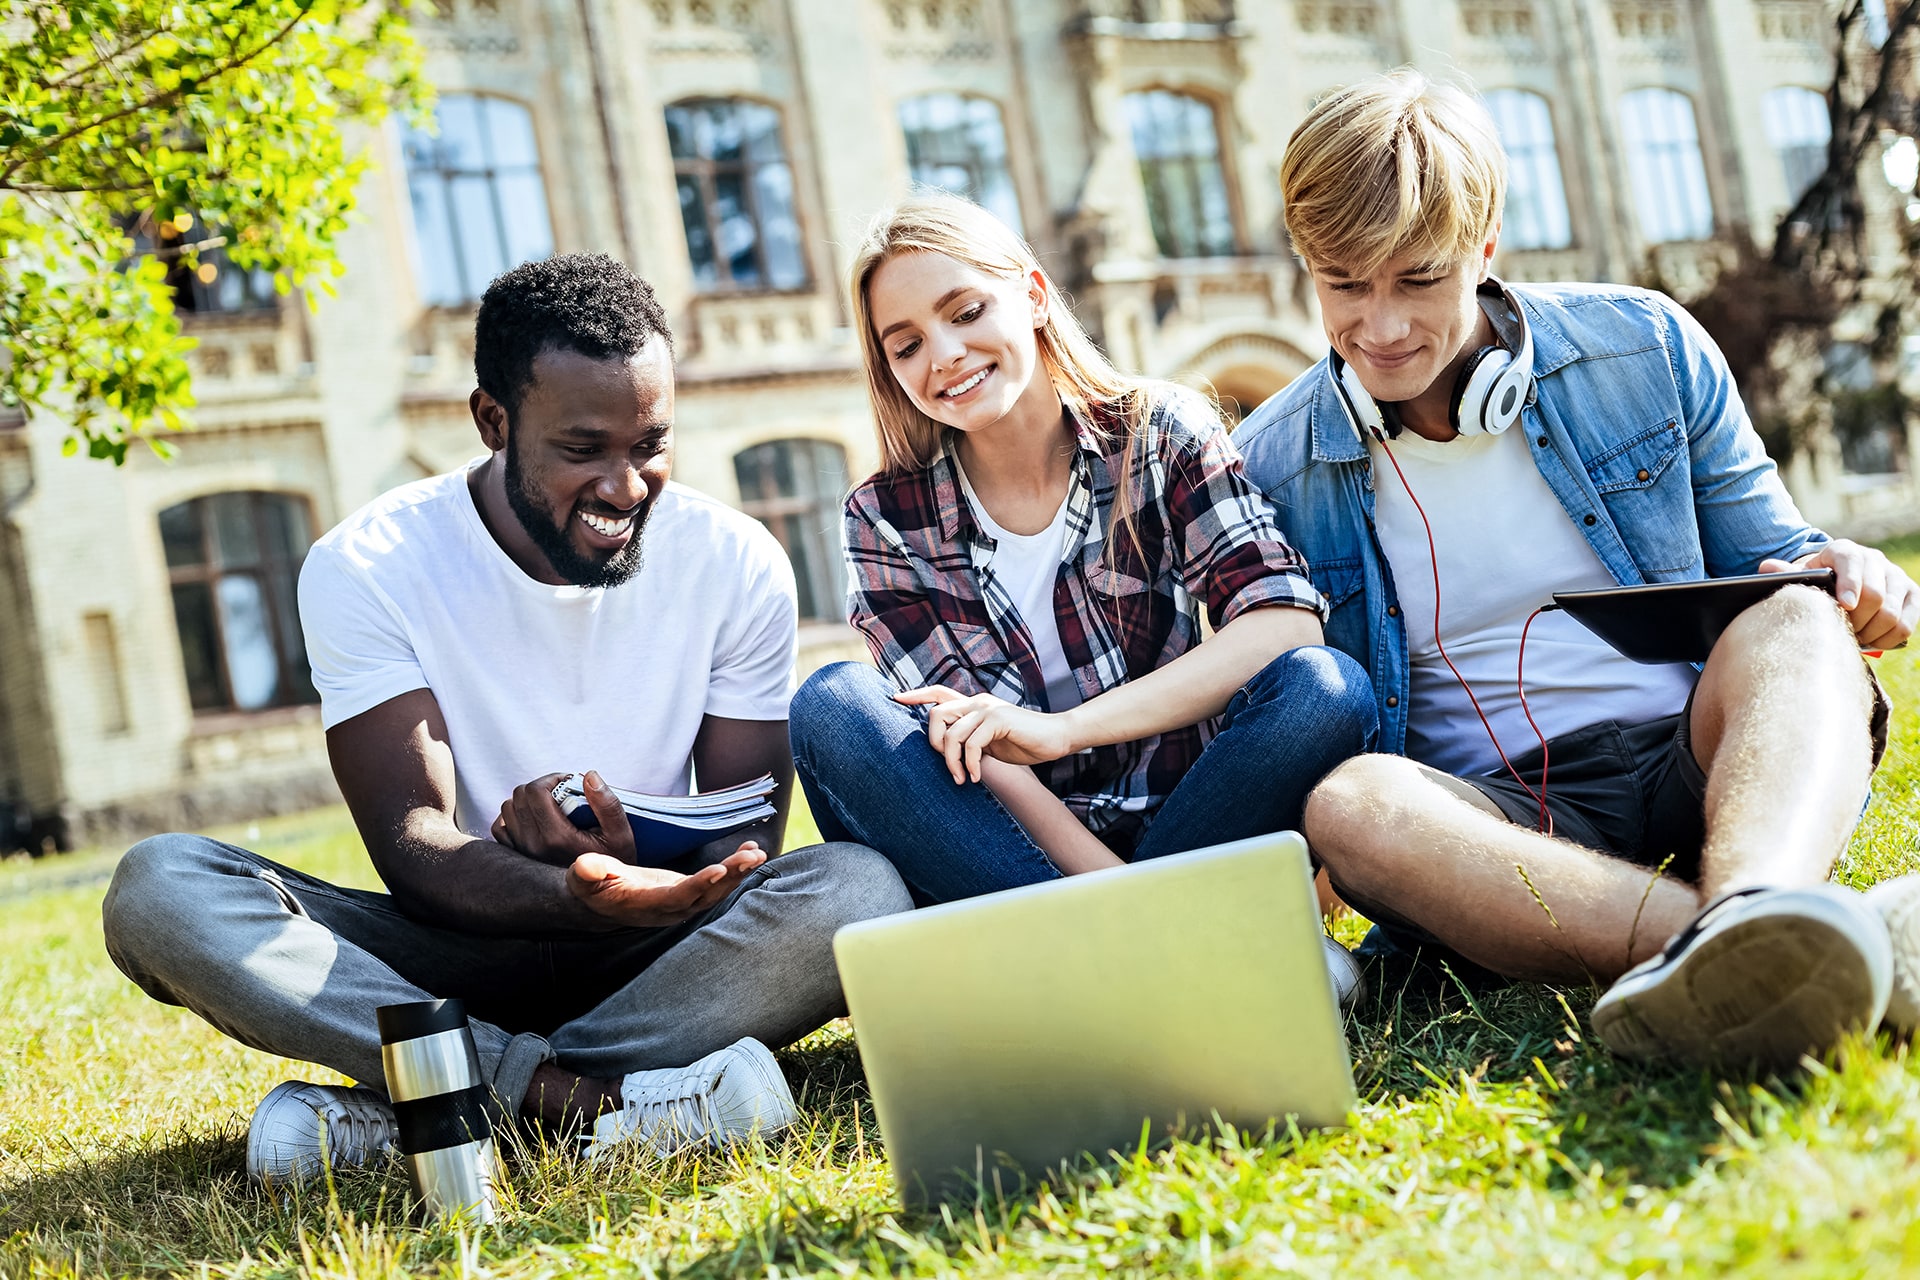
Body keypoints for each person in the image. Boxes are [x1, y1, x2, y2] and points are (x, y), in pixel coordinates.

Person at [101, 253, 913, 1181]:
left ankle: (427, 1099)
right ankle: (581, 1107)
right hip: (451, 953)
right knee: (160, 888)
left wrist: (625, 880)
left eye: (651, 442)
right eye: (583, 450)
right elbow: (414, 848)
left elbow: (740, 841)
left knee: (860, 891)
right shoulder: (369, 565)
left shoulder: (737, 562)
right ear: (493, 421)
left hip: (650, 956)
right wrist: (555, 891)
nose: (626, 486)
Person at [1232, 70, 1920, 1069]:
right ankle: (1769, 941)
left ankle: (1756, 907)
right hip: (1495, 834)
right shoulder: (1267, 464)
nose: (1379, 328)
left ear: (1485, 246)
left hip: (1700, 761)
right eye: (1345, 282)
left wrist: (1845, 574)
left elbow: (1777, 567)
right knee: (1352, 802)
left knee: (1795, 618)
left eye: (1419, 279)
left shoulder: (1642, 343)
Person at [787, 193, 1376, 997]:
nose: (946, 355)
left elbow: (1281, 622)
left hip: (1196, 819)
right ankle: (1180, 951)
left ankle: (1100, 972)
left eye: (965, 311)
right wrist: (1117, 900)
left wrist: (1063, 732)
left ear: (1032, 294)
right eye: (907, 345)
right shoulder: (885, 518)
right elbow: (976, 753)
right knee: (832, 706)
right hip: (1007, 858)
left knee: (1325, 689)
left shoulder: (1157, 431)